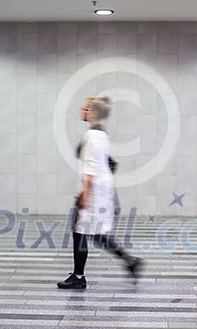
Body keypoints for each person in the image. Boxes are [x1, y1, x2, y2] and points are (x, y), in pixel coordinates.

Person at [57, 96, 141, 289]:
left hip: (93, 194)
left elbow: (91, 170)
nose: (82, 111)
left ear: (93, 113)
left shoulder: (92, 136)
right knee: (94, 235)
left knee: (80, 232)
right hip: (100, 192)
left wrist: (85, 197)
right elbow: (107, 163)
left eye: (86, 108)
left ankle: (79, 277)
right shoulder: (100, 134)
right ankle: (129, 260)